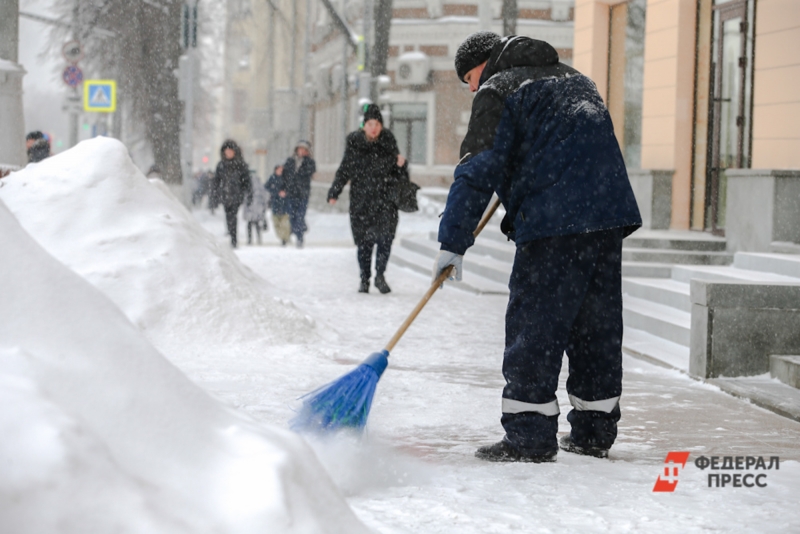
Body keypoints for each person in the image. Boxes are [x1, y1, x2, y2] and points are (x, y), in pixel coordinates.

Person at [432, 33, 642, 462]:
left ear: (485, 64)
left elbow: (475, 170)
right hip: (606, 216)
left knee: (535, 329)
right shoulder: (577, 80)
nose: (472, 88)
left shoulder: (499, 89)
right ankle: (593, 432)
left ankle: (528, 436)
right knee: (595, 329)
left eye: (469, 78)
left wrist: (453, 240)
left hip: (554, 224)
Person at [328, 104, 408, 294]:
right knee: (364, 243)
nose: (374, 128)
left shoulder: (388, 142)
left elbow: (400, 177)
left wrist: (401, 166)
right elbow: (344, 169)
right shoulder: (355, 145)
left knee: (385, 240)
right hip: (362, 202)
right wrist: (334, 192)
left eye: (377, 124)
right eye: (370, 123)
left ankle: (380, 276)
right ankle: (365, 278)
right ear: (364, 125)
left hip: (386, 202)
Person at [212, 140, 252, 248]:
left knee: (233, 216)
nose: (228, 153)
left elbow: (247, 181)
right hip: (225, 195)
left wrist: (247, 193)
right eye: (227, 151)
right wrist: (215, 195)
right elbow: (216, 181)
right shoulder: (221, 165)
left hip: (236, 195)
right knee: (228, 215)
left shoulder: (241, 165)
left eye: (230, 151)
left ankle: (234, 239)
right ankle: (231, 232)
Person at [281, 140, 316, 248]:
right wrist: (283, 188)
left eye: (304, 149)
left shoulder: (310, 162)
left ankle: (299, 238)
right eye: (299, 149)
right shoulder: (290, 161)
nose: (301, 151)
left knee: (300, 216)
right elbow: (284, 176)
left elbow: (308, 173)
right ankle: (299, 229)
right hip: (291, 193)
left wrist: (304, 162)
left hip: (303, 194)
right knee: (292, 216)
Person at [265, 165, 292, 246]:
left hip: (285, 203)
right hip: (275, 203)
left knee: (285, 223)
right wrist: (276, 192)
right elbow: (267, 186)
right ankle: (281, 236)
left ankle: (285, 238)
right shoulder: (272, 178)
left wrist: (285, 192)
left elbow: (291, 188)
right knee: (276, 223)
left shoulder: (287, 178)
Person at [243, 170, 269, 245]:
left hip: (250, 205)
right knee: (257, 223)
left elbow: (245, 195)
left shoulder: (247, 182)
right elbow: (264, 195)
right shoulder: (259, 183)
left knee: (250, 224)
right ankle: (258, 239)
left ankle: (250, 239)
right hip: (257, 206)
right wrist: (264, 205)